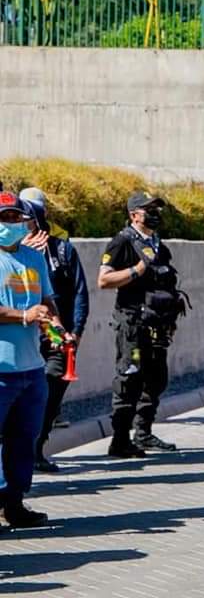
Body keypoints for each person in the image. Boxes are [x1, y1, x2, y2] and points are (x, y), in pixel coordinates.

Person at [0, 191, 72, 527]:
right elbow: (27, 310)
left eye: (16, 217)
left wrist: (58, 328)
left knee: (23, 440)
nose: (12, 223)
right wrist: (24, 315)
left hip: (31, 369)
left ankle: (14, 505)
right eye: (5, 217)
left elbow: (47, 300)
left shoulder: (34, 257)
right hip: (1, 369)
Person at [98, 191, 186, 458]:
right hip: (133, 327)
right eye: (149, 209)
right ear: (134, 214)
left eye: (157, 208)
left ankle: (143, 433)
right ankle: (120, 440)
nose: (155, 213)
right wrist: (136, 269)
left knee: (156, 379)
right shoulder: (122, 242)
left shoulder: (159, 245)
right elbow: (104, 280)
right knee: (130, 379)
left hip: (157, 326)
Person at [18, 193, 89, 473]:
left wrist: (76, 331)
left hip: (57, 336)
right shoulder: (14, 254)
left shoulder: (62, 250)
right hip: (25, 336)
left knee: (51, 387)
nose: (22, 224)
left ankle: (37, 444)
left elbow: (79, 293)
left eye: (26, 218)